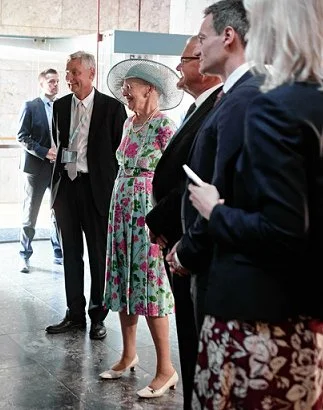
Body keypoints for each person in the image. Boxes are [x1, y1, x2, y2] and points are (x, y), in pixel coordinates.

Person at [187, 0, 323, 407]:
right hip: (301, 314)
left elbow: (283, 230)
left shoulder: (272, 105)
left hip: (256, 320)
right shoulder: (311, 102)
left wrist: (216, 210)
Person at [165, 0, 261, 335]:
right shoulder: (235, 95)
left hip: (218, 261)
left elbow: (223, 191)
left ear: (229, 36)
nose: (198, 46)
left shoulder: (243, 98)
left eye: (203, 38)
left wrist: (189, 250)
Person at [144, 36, 222, 409]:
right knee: (187, 336)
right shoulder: (197, 108)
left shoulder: (218, 108)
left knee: (194, 341)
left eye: (186, 59)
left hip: (188, 241)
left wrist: (159, 221)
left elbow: (193, 181)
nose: (179, 66)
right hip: (176, 236)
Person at [99, 58, 183, 399]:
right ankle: (128, 354)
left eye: (129, 86)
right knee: (123, 281)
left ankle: (166, 369)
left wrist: (163, 220)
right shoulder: (129, 123)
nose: (124, 92)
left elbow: (176, 177)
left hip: (147, 215)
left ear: (150, 88)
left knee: (150, 286)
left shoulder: (165, 126)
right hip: (120, 212)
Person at [45, 51, 126, 340]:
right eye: (68, 73)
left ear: (91, 73)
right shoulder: (60, 106)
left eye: (75, 73)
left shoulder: (112, 109)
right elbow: (60, 147)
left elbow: (120, 157)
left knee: (97, 256)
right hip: (67, 189)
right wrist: (55, 196)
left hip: (97, 191)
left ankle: (97, 315)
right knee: (70, 256)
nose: (70, 79)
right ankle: (74, 314)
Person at [16, 68, 63, 273]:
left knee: (59, 212)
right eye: (51, 81)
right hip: (36, 168)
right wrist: (44, 152)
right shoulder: (30, 106)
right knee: (31, 213)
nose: (55, 85)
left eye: (57, 81)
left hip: (58, 168)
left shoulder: (62, 107)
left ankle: (58, 253)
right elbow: (22, 137)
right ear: (42, 84)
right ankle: (24, 255)